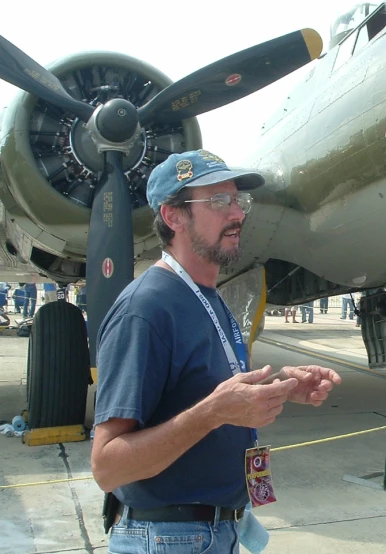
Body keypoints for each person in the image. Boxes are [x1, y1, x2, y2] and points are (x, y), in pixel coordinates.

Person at [91, 150, 342, 554]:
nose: (238, 214)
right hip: (169, 539)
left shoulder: (207, 297)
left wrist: (281, 386)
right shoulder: (146, 309)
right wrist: (215, 413)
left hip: (214, 533)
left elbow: (202, 389)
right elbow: (107, 466)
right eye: (218, 201)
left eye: (238, 201)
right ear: (173, 216)